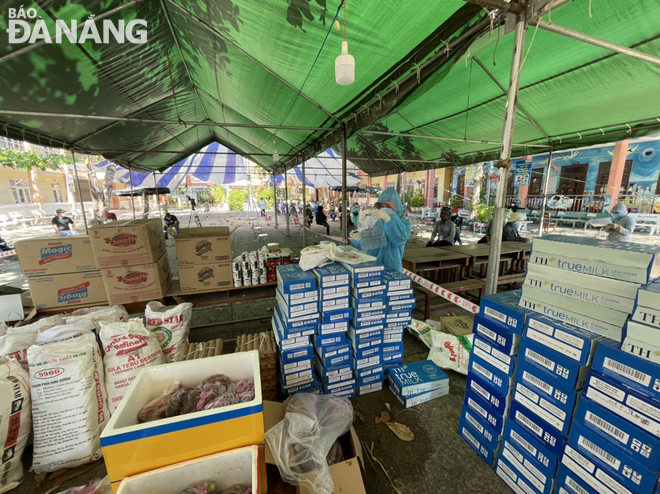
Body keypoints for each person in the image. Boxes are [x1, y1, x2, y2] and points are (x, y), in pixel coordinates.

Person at [350, 188, 411, 272]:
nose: (384, 208)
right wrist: (360, 237)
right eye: (381, 206)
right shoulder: (375, 223)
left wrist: (389, 219)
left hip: (392, 268)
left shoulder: (404, 224)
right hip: (372, 265)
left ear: (396, 207)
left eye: (388, 206)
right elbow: (368, 245)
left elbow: (399, 239)